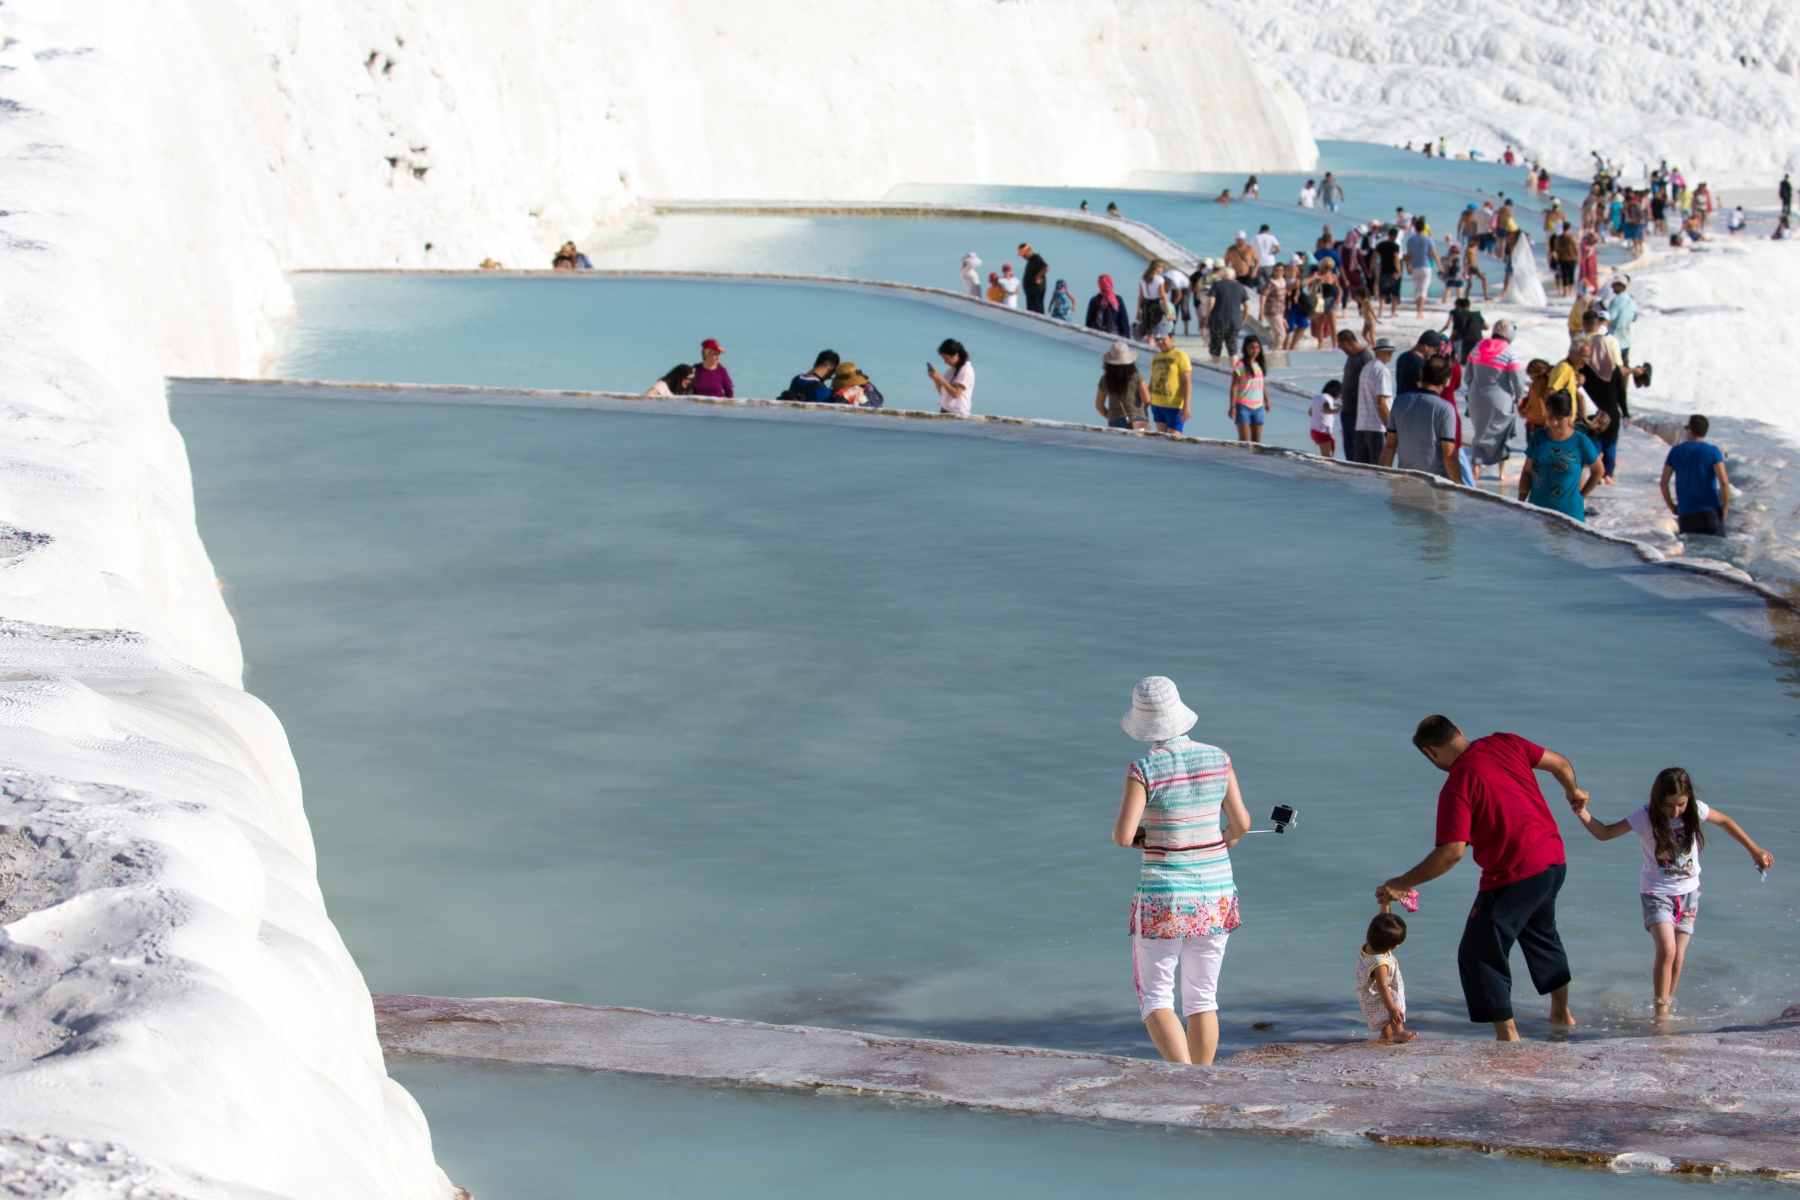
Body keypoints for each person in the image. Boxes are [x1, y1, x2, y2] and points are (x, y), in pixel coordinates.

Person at [1378, 717, 1582, 1041]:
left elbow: (1451, 853)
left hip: (1515, 875)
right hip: (1553, 861)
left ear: (1430, 753)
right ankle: (1562, 1014)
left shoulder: (1458, 785)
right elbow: (1559, 763)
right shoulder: (1507, 742)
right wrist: (1574, 790)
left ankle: (1508, 1037)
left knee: (1478, 952)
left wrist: (1403, 882)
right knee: (1542, 935)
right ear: (1458, 731)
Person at [1112, 676, 1251, 1065]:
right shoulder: (1218, 758)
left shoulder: (1144, 769)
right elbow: (1240, 822)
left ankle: (1183, 1079)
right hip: (1216, 894)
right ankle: (1202, 1079)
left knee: (1156, 998)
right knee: (1202, 998)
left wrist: (1143, 835)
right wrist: (1229, 838)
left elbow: (1122, 836)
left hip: (1164, 897)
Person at [1570, 767, 1771, 1025]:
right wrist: (1582, 813)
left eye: (1680, 804)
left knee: (1678, 956)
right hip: (1656, 893)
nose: (1675, 811)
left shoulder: (1695, 810)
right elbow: (1605, 833)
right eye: (1668, 805)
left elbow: (1725, 821)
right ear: (1657, 800)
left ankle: (1667, 1005)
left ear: (1688, 798)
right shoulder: (1645, 817)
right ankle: (1660, 1016)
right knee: (1667, 949)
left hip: (1689, 894)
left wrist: (1754, 849)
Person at [1518, 389, 1602, 520]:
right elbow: (1528, 471)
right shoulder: (1538, 438)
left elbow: (1598, 470)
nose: (1554, 423)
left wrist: (1582, 495)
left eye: (1559, 418)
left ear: (1570, 415)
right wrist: (1521, 501)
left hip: (1570, 516)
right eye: (1550, 417)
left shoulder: (1580, 442)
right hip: (1537, 515)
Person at [1464, 320, 1524, 483]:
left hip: (1476, 397)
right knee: (1503, 434)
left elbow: (1467, 375)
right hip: (1500, 399)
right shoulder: (1509, 352)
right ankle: (1502, 473)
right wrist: (1520, 396)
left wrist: (1472, 390)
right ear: (1508, 333)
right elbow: (1517, 379)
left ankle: (1476, 468)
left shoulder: (1478, 347)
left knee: (1480, 433)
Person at [1380, 357, 1459, 479]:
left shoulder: (1399, 401)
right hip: (1435, 485)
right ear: (1447, 381)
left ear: (1421, 376)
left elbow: (1390, 447)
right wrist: (1458, 485)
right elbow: (1448, 455)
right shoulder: (1445, 409)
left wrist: (1380, 479)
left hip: (1405, 481)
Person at [1660, 413, 1731, 535]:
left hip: (1686, 514)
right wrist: (1725, 508)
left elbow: (1663, 483)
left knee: (1691, 552)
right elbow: (1724, 482)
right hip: (1710, 512)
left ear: (1690, 430)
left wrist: (1671, 506)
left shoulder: (1676, 451)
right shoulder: (1713, 451)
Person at [1357, 906, 1414, 1043]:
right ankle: (1398, 1031)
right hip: (1379, 993)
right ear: (1390, 946)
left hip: (1368, 992)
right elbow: (1383, 986)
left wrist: (1385, 903)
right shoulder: (1380, 962)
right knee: (1393, 1001)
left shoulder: (1370, 941)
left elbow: (1382, 918)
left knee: (1384, 1022)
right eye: (1397, 944)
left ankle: (1387, 1038)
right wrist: (1393, 1009)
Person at [1336, 331, 1375, 463]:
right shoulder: (1352, 355)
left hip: (1358, 413)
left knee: (1357, 451)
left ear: (1346, 344)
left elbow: (1370, 388)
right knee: (1349, 448)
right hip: (1347, 410)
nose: (1339, 348)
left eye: (1340, 346)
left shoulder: (1365, 358)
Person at [1095, 341, 1151, 430]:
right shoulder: (1136, 376)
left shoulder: (1105, 379)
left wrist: (1112, 415)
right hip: (1137, 419)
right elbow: (1147, 399)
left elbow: (1099, 406)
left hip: (1115, 420)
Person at [1357, 338, 1396, 465]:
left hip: (1362, 424)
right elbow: (1381, 403)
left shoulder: (1367, 367)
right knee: (1379, 470)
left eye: (1391, 351)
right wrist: (1392, 428)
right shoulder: (1382, 370)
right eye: (1387, 351)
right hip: (1377, 426)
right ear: (1378, 352)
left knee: (1362, 470)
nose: (1390, 354)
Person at [1147, 323, 1192, 434]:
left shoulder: (1180, 356)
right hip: (1157, 404)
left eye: (1163, 339)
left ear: (1171, 337)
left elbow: (1187, 382)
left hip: (1174, 406)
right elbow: (1152, 382)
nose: (1160, 342)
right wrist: (1145, 404)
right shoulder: (1155, 358)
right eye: (1157, 339)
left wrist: (1186, 406)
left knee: (1173, 442)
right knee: (1162, 441)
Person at [1202, 268, 1251, 365]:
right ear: (1233, 276)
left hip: (1217, 321)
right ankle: (1233, 373)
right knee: (1232, 349)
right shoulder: (1240, 286)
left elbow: (1211, 301)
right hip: (1234, 321)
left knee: (1216, 349)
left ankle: (1216, 371)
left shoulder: (1217, 285)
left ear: (1222, 275)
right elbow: (1247, 305)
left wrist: (1207, 315)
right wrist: (1245, 317)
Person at [1229, 336, 1268, 442]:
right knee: (1244, 440)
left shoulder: (1259, 365)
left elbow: (1261, 384)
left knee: (1257, 439)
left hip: (1258, 406)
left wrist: (1267, 401)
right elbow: (1234, 386)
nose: (1255, 350)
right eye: (1251, 347)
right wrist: (1232, 406)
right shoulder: (1240, 366)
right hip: (1243, 406)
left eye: (1257, 347)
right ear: (1245, 348)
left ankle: (1255, 459)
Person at [927, 339, 974, 415]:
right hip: (945, 410)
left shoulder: (966, 370)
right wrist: (935, 379)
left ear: (955, 355)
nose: (945, 362)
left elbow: (955, 394)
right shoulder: (950, 370)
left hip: (958, 413)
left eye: (946, 358)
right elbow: (943, 393)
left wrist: (940, 378)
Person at [1404, 219, 1440, 317]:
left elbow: (1408, 256)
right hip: (1426, 266)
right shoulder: (1429, 240)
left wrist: (1408, 267)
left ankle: (1418, 310)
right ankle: (1420, 312)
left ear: (1415, 229)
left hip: (1415, 266)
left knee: (1417, 289)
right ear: (1424, 228)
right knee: (1423, 290)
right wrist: (1440, 266)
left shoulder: (1411, 240)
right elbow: (1434, 254)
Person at [1604, 276, 1638, 364]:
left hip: (1614, 340)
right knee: (1625, 365)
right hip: (1626, 340)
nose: (1612, 287)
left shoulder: (1616, 300)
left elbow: (1609, 317)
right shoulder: (1632, 301)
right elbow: (1634, 318)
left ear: (1621, 286)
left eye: (1614, 285)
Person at [1444, 296, 1487, 363]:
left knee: (1465, 363)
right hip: (1478, 342)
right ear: (1469, 306)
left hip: (1465, 344)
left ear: (1459, 306)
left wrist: (1449, 344)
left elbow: (1454, 333)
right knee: (1477, 362)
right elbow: (1486, 327)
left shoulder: (1459, 316)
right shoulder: (1477, 315)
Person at [1309, 379, 1342, 458]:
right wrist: (1336, 410)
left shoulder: (1317, 398)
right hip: (1322, 431)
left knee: (1332, 443)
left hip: (1313, 430)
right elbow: (1325, 409)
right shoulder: (1327, 399)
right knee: (1327, 457)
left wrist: (1318, 417)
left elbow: (1310, 412)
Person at [1137, 262, 1170, 339]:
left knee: (1150, 334)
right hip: (1156, 306)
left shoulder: (1143, 279)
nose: (1162, 268)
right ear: (1156, 267)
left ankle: (1150, 348)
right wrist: (1168, 311)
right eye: (1161, 266)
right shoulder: (1159, 279)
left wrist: (1138, 311)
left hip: (1146, 306)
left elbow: (1140, 297)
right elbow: (1162, 296)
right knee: (1162, 331)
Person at [1375, 229, 1402, 318]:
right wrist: (1398, 270)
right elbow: (1396, 259)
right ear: (1395, 236)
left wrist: (1372, 268)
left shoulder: (1381, 245)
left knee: (1383, 293)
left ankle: (1380, 311)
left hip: (1383, 270)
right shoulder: (1395, 246)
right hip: (1393, 272)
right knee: (1394, 293)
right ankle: (1392, 312)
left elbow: (1374, 256)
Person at [1018, 242, 1049, 313]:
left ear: (1028, 250)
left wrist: (1037, 277)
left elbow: (1046, 268)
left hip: (1036, 295)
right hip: (1031, 294)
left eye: (1024, 254)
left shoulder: (1036, 259)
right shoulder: (1031, 261)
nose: (1023, 257)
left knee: (1037, 312)